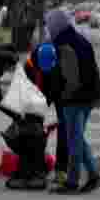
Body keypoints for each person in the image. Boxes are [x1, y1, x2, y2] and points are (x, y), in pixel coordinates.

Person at [44, 9, 100, 194]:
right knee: (77, 138)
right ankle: (94, 176)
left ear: (56, 25)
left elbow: (70, 78)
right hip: (90, 96)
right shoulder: (81, 40)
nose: (48, 28)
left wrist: (64, 95)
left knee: (73, 140)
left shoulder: (65, 44)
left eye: (49, 24)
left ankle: (72, 182)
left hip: (75, 98)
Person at [24, 43, 69, 186]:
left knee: (64, 127)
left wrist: (55, 120)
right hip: (40, 90)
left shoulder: (60, 62)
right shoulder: (29, 65)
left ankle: (61, 169)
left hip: (60, 90)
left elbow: (61, 86)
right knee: (34, 126)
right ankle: (37, 165)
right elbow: (30, 92)